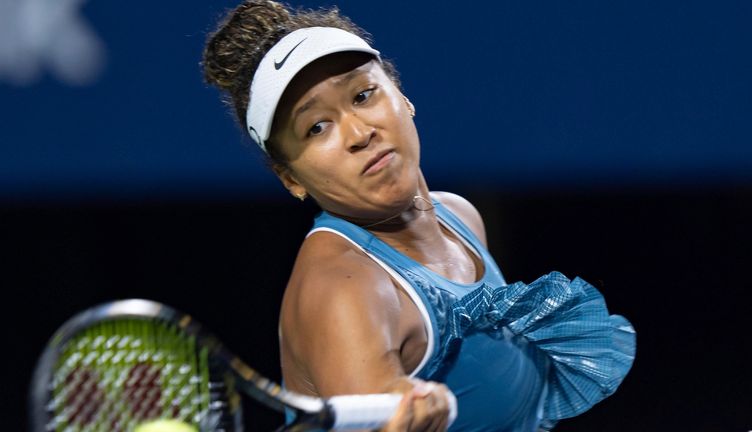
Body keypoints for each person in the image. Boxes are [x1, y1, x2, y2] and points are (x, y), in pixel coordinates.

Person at [202, 1, 636, 431]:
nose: (359, 133)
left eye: (362, 95)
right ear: (290, 179)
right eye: (316, 127)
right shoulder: (344, 289)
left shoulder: (460, 216)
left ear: (402, 96)